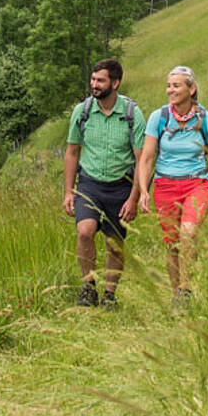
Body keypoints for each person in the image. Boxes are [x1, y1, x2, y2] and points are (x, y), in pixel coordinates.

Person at [136, 65, 208, 307]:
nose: (170, 90)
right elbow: (147, 158)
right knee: (173, 245)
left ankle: (187, 289)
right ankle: (177, 294)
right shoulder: (159, 118)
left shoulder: (207, 121)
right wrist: (144, 191)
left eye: (176, 86)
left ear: (191, 89)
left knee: (189, 234)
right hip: (165, 186)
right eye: (169, 86)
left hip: (197, 184)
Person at [61, 58, 144, 309]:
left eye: (100, 80)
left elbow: (142, 159)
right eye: (93, 80)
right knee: (85, 232)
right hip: (89, 184)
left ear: (115, 83)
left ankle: (109, 294)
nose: (94, 85)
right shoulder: (83, 111)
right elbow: (72, 152)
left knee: (114, 243)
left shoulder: (131, 114)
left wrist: (134, 198)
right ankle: (88, 287)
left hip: (121, 186)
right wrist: (68, 191)